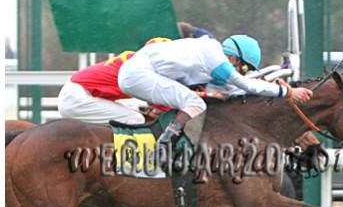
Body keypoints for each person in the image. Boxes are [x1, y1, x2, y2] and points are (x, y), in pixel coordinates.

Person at [58, 34, 313, 155]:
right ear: (234, 58)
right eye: (243, 67)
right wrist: (286, 91)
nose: (241, 71)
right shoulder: (212, 58)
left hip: (85, 93)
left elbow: (235, 89)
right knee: (136, 120)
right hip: (78, 95)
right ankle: (129, 162)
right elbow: (240, 84)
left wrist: (271, 87)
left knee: (146, 117)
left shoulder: (178, 60)